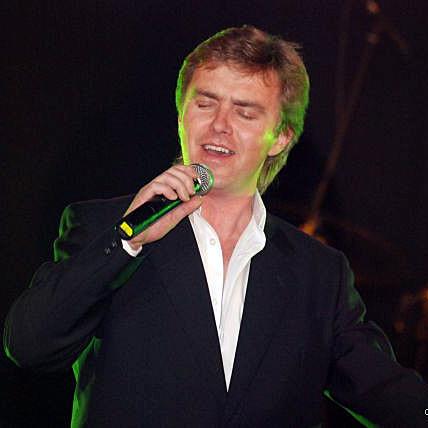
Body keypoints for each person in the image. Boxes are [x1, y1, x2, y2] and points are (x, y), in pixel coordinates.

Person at [4, 25, 428, 427]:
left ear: (281, 136)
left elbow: (387, 394)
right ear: (181, 114)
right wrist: (126, 241)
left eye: (244, 112)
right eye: (205, 103)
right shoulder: (107, 228)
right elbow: (29, 346)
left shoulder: (318, 273)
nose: (219, 125)